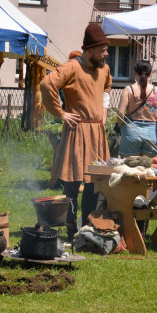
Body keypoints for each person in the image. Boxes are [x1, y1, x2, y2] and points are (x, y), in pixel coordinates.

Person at [40, 22, 112, 239]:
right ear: (89, 50)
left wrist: (104, 111)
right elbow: (46, 84)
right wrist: (61, 113)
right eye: (103, 50)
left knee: (94, 184)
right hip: (78, 130)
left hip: (97, 131)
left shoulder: (105, 68)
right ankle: (72, 231)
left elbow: (107, 87)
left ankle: (87, 228)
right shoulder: (72, 66)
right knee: (72, 185)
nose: (106, 53)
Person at [117, 59, 157, 157]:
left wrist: (122, 126)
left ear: (135, 72)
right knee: (149, 169)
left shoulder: (128, 90)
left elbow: (120, 114)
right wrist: (156, 126)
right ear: (150, 74)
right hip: (152, 133)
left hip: (131, 130)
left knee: (129, 168)